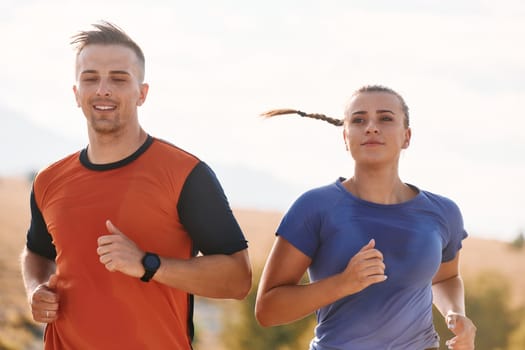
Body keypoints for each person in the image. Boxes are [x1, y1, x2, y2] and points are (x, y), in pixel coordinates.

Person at [20, 21, 252, 349]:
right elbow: (37, 252)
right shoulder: (49, 181)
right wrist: (36, 289)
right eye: (90, 79)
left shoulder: (186, 174)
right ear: (76, 94)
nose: (103, 89)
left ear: (141, 93)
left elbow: (237, 279)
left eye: (118, 78)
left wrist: (147, 264)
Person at [255, 85, 476, 350]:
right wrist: (343, 284)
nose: (371, 127)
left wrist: (456, 314)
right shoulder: (315, 207)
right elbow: (267, 310)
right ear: (345, 137)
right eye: (359, 120)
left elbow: (445, 278)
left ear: (407, 136)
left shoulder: (442, 212)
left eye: (385, 118)